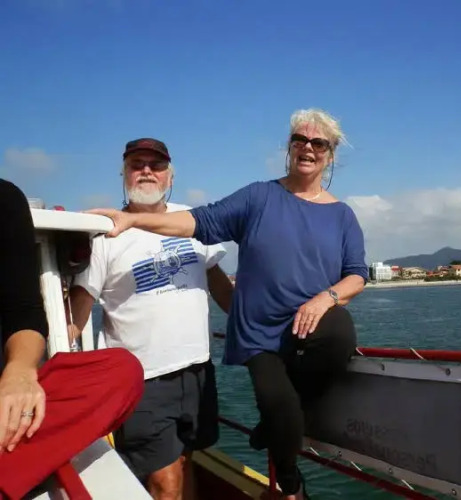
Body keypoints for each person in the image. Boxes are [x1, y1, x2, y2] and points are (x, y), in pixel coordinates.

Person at [88, 109, 368, 500]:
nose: (308, 148)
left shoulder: (342, 215)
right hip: (260, 333)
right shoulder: (259, 197)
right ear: (288, 147)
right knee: (277, 404)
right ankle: (291, 484)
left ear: (330, 155)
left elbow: (357, 274)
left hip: (310, 328)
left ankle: (279, 422)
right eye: (299, 140)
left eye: (318, 143)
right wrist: (133, 220)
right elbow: (199, 221)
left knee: (340, 334)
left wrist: (327, 298)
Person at [68, 138, 234, 500]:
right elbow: (79, 309)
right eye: (137, 164)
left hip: (197, 369)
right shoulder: (105, 233)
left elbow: (221, 288)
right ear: (124, 174)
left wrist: (267, 331)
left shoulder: (190, 220)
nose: (146, 171)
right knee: (164, 480)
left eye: (156, 165)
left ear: (170, 176)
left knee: (185, 462)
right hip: (141, 378)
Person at [0, 178, 144, 499]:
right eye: (137, 165)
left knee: (121, 372)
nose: (146, 171)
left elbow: (24, 312)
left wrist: (19, 372)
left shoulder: (4, 200)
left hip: (6, 397)